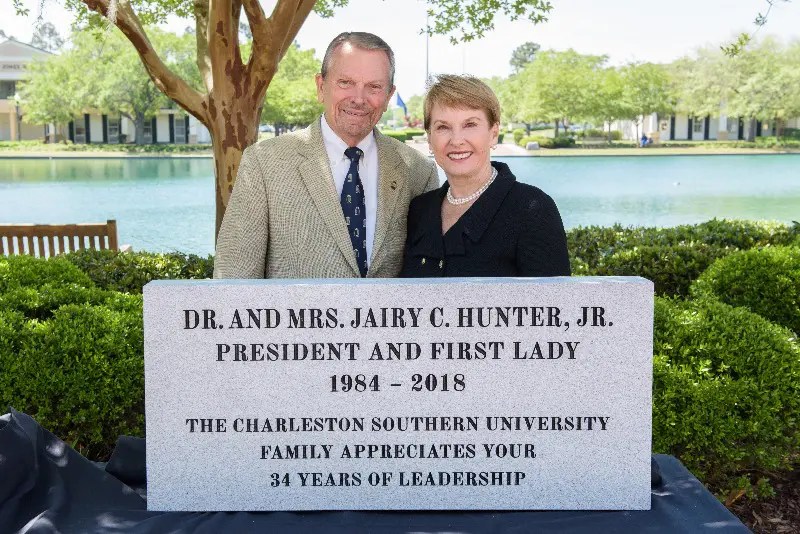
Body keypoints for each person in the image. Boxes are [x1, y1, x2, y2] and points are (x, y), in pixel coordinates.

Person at [214, 32, 439, 279]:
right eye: (345, 82)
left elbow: (425, 282)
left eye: (374, 87)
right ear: (321, 87)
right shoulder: (264, 163)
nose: (358, 98)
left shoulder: (418, 171)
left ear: (388, 96)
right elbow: (234, 282)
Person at [400, 75, 570, 278]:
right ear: (429, 139)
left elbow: (554, 306)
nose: (457, 140)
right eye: (443, 127)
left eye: (470, 124)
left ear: (493, 133)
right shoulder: (418, 210)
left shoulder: (532, 209)